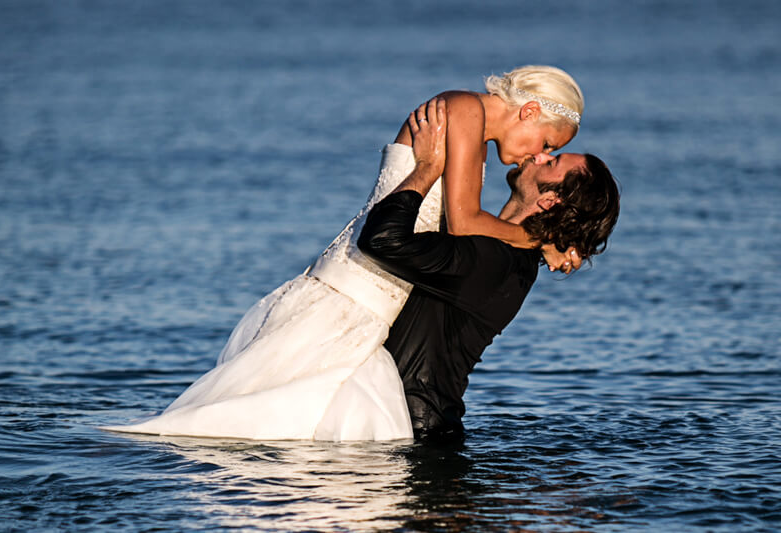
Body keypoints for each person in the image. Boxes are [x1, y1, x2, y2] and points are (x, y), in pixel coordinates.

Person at [103, 66, 586, 441]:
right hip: (363, 282)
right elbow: (462, 223)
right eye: (547, 143)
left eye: (548, 154)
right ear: (528, 113)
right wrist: (538, 240)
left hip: (383, 285)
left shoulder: (475, 133)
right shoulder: (463, 109)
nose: (535, 157)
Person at [359, 98, 620, 442]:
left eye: (551, 159)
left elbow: (381, 240)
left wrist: (427, 168)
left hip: (413, 436)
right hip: (414, 428)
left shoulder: (494, 260)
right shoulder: (511, 257)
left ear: (548, 201)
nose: (537, 155)